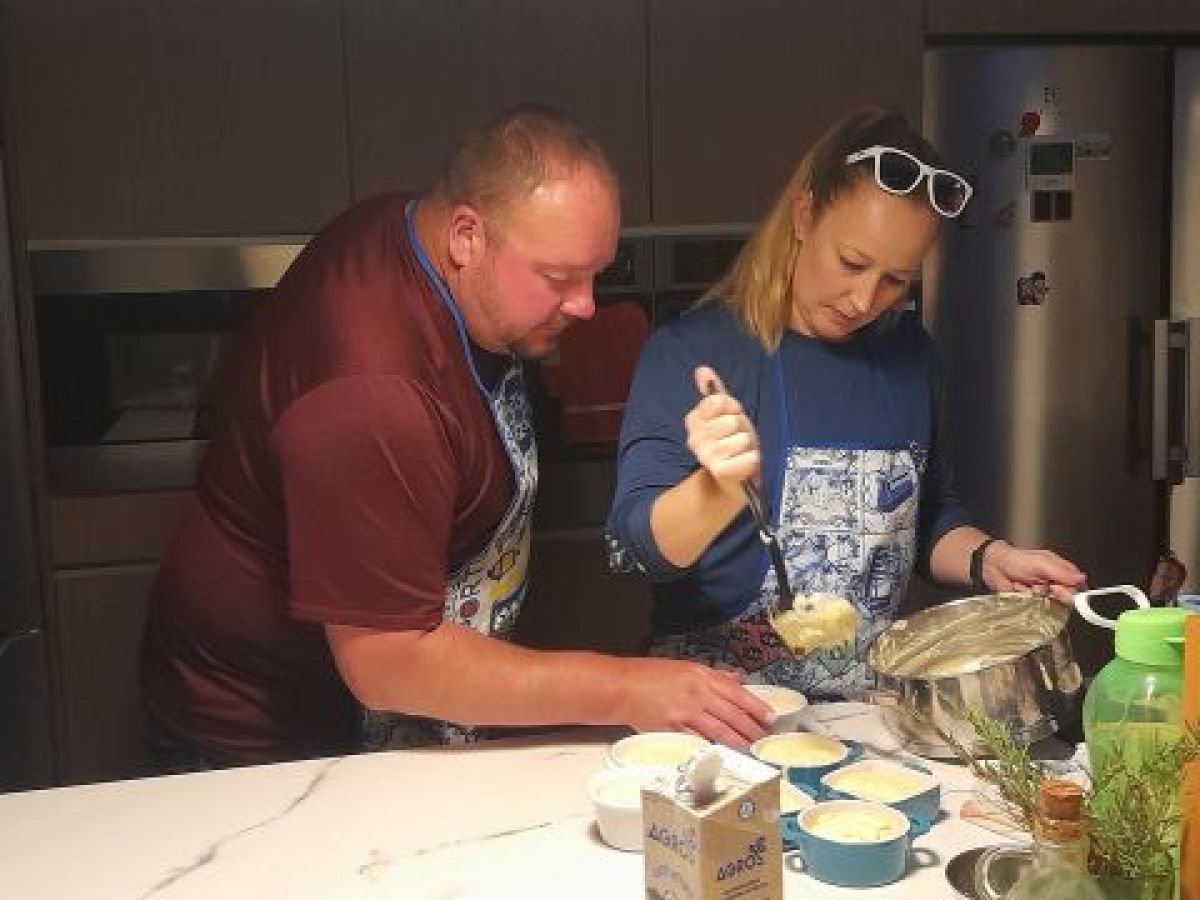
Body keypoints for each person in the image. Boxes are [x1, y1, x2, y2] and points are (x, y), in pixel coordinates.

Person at [140, 105, 772, 770]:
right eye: (559, 278)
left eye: (597, 274)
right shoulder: (376, 392)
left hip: (372, 703)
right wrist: (624, 687)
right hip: (265, 725)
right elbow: (390, 662)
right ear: (466, 236)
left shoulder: (419, 232)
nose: (587, 306)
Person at [606, 107, 1086, 699]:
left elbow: (929, 516)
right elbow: (637, 549)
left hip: (871, 713)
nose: (864, 300)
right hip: (718, 712)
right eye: (853, 263)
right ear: (805, 213)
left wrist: (990, 559)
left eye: (895, 280)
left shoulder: (913, 359)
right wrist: (715, 489)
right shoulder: (693, 352)